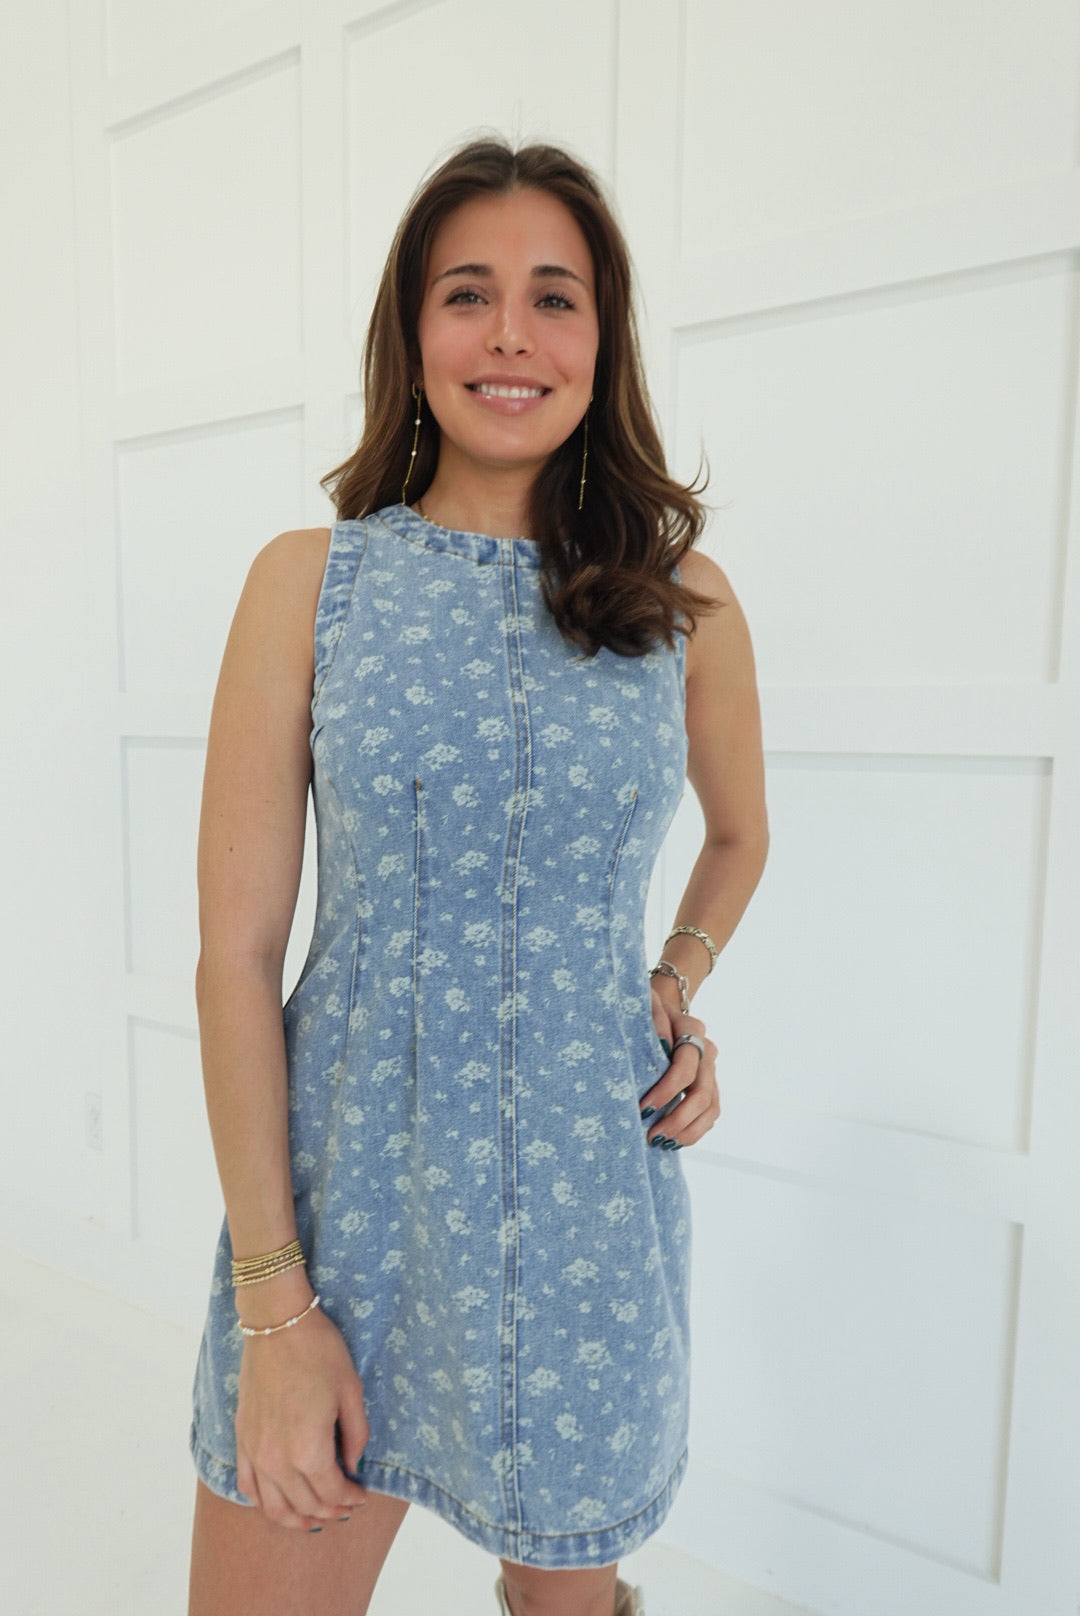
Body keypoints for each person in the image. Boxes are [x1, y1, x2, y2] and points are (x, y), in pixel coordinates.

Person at [186, 136, 768, 1616]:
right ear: (413, 331)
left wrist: (673, 982)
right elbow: (236, 957)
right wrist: (274, 1308)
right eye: (468, 294)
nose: (512, 334)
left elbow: (740, 835)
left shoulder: (682, 602)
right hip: (342, 1218)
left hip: (588, 1213)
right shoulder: (309, 581)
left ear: (602, 339)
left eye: (554, 297)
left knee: (563, 1600)